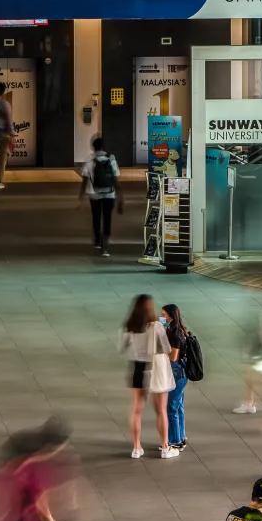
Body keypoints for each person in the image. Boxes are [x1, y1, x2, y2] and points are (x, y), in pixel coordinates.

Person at [119, 294, 175, 459]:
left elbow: (122, 348)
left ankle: (137, 448)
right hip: (155, 370)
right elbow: (166, 348)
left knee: (136, 410)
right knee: (161, 411)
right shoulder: (156, 326)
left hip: (137, 368)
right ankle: (165, 447)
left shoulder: (129, 326)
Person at [78, 137, 123, 257]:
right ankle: (105, 247)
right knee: (107, 218)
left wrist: (80, 198)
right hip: (110, 194)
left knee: (96, 217)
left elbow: (84, 180)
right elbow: (116, 180)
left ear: (93, 147)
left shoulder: (89, 160)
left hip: (94, 194)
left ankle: (97, 241)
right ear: (104, 147)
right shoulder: (111, 158)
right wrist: (121, 199)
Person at [161, 304, 190, 452]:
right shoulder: (178, 329)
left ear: (171, 316)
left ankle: (175, 440)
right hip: (181, 373)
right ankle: (181, 437)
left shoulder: (175, 333)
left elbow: (173, 357)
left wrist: (160, 352)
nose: (162, 318)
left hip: (177, 373)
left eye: (164, 315)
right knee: (178, 406)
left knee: (171, 407)